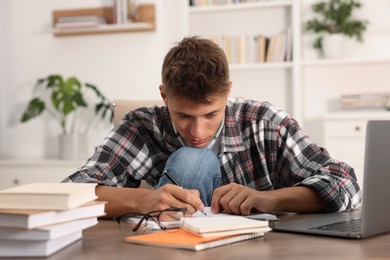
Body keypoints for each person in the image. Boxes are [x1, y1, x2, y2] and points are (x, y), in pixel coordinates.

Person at [63, 36, 361, 218]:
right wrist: (146, 200)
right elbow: (71, 192)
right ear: (165, 96)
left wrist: (270, 199)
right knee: (194, 159)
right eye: (183, 116)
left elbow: (345, 184)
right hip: (163, 249)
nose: (197, 132)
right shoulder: (143, 126)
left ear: (228, 92)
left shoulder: (263, 122)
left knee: (195, 158)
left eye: (210, 114)